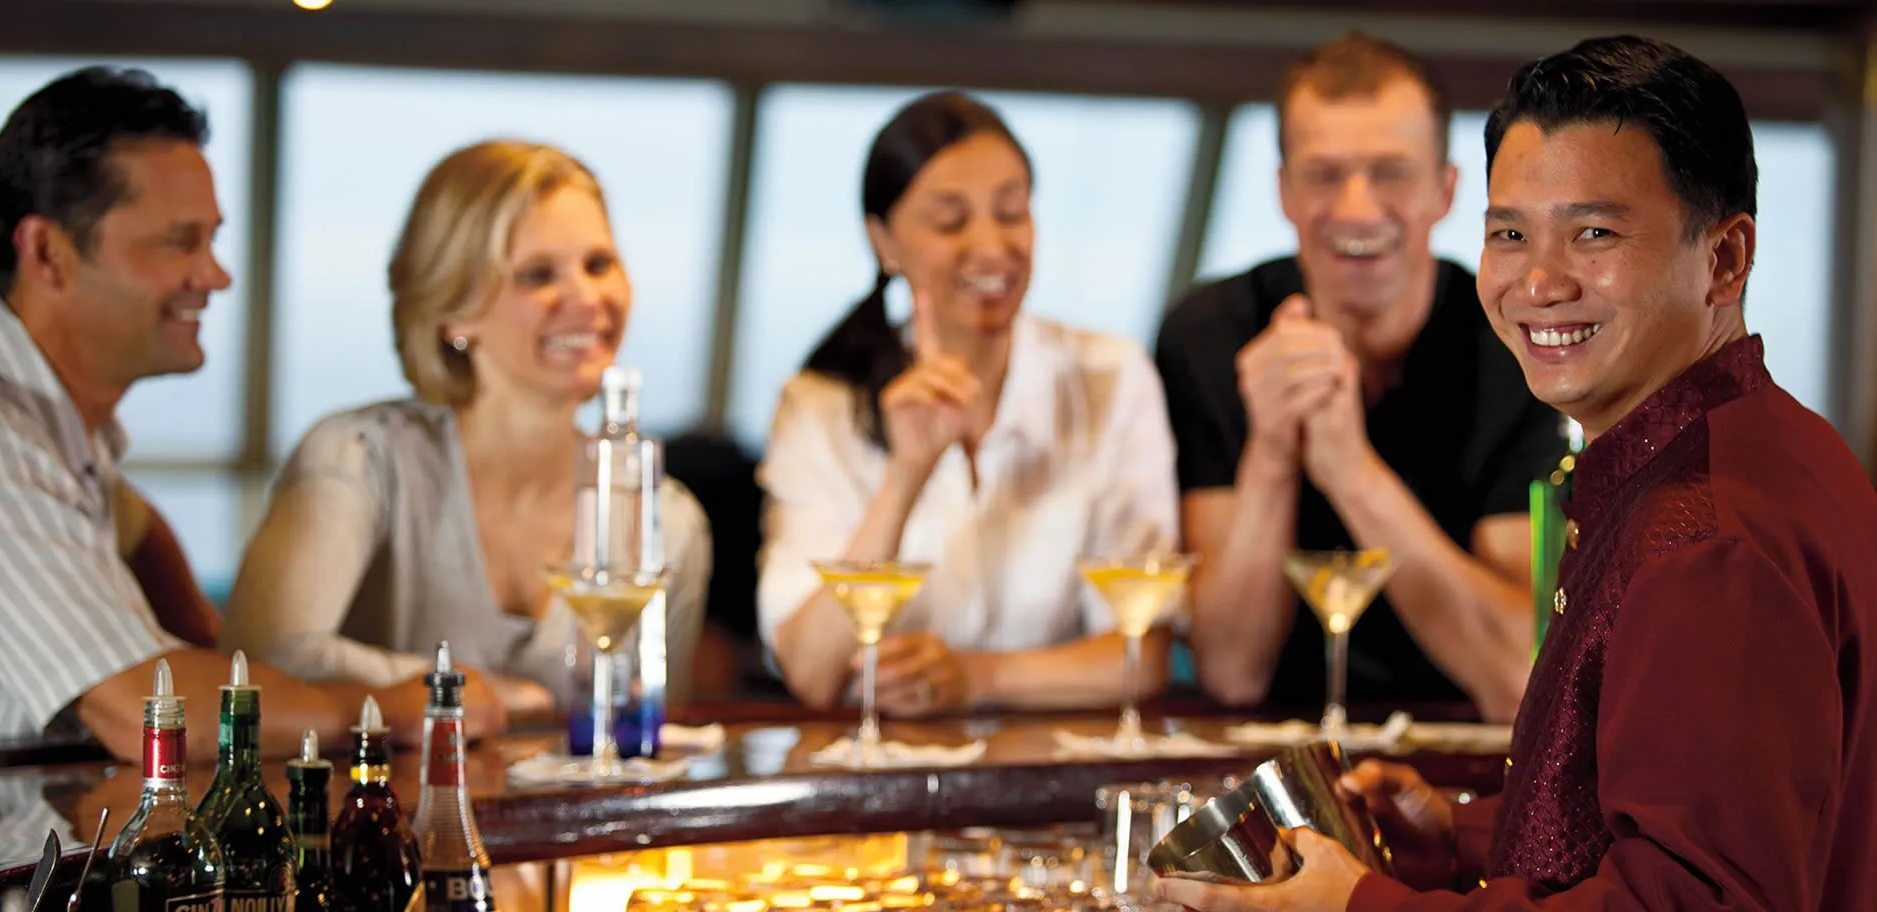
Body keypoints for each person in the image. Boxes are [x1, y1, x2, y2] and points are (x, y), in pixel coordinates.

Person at [1155, 35, 1877, 912]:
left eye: (1594, 233)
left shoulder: (1707, 534)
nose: (1537, 282)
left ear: (1724, 259)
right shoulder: (1747, 445)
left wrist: (1358, 908)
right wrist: (1458, 835)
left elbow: (1694, 902)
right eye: (1510, 234)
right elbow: (1652, 818)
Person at [0, 67, 463, 763]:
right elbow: (145, 715)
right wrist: (384, 709)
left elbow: (134, 536)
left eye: (212, 238)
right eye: (179, 242)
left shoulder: (66, 444)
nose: (216, 275)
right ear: (48, 252)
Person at [1155, 33, 1566, 722]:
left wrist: (1348, 467)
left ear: (1445, 190)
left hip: (1464, 757)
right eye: (1324, 175)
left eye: (1390, 173)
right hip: (1265, 752)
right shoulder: (1209, 334)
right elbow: (1232, 670)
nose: (1355, 208)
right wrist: (1274, 452)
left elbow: (1519, 675)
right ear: (1284, 191)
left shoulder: (1515, 344)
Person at [221, 140, 711, 716]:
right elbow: (262, 663)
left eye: (599, 264)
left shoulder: (669, 523)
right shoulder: (358, 459)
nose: (587, 298)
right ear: (452, 309)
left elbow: (649, 741)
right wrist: (488, 695)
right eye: (537, 275)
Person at [757, 90, 1180, 717]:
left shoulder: (1110, 376)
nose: (990, 246)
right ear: (884, 241)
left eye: (1011, 212)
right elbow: (812, 670)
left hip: (1046, 772)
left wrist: (976, 676)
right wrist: (906, 476)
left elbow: (1141, 657)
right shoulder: (820, 405)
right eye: (951, 221)